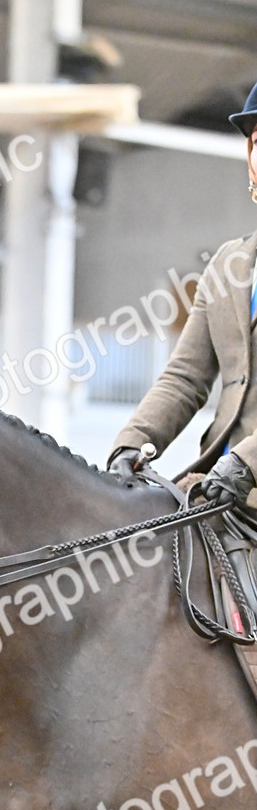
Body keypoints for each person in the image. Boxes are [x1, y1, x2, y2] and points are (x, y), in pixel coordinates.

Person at [108, 81, 257, 509]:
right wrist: (133, 443)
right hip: (218, 488)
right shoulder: (229, 264)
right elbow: (185, 378)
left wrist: (247, 462)